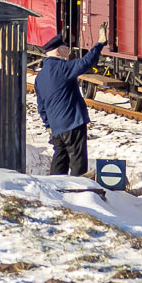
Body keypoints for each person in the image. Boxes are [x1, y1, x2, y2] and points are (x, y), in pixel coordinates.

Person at [31, 28, 111, 177]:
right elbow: (86, 62)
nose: (68, 51)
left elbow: (41, 107)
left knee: (59, 161)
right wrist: (99, 44)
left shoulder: (39, 77)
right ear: (58, 52)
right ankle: (78, 191)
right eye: (65, 49)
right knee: (78, 163)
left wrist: (49, 126)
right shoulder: (62, 68)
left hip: (56, 128)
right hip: (72, 123)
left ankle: (55, 189)